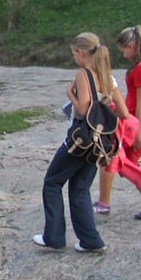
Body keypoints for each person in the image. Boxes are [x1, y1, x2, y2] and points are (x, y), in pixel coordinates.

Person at [33, 32, 109, 252]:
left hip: (79, 140)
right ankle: (90, 240)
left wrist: (70, 94)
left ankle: (54, 237)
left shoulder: (84, 74)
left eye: (74, 53)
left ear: (82, 53)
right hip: (95, 143)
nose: (74, 57)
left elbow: (84, 108)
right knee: (80, 189)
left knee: (52, 183)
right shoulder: (103, 73)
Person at [94, 25, 141, 220]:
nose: (124, 55)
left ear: (133, 45)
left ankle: (104, 204)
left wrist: (139, 134)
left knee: (112, 158)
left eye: (125, 49)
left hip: (135, 124)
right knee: (128, 164)